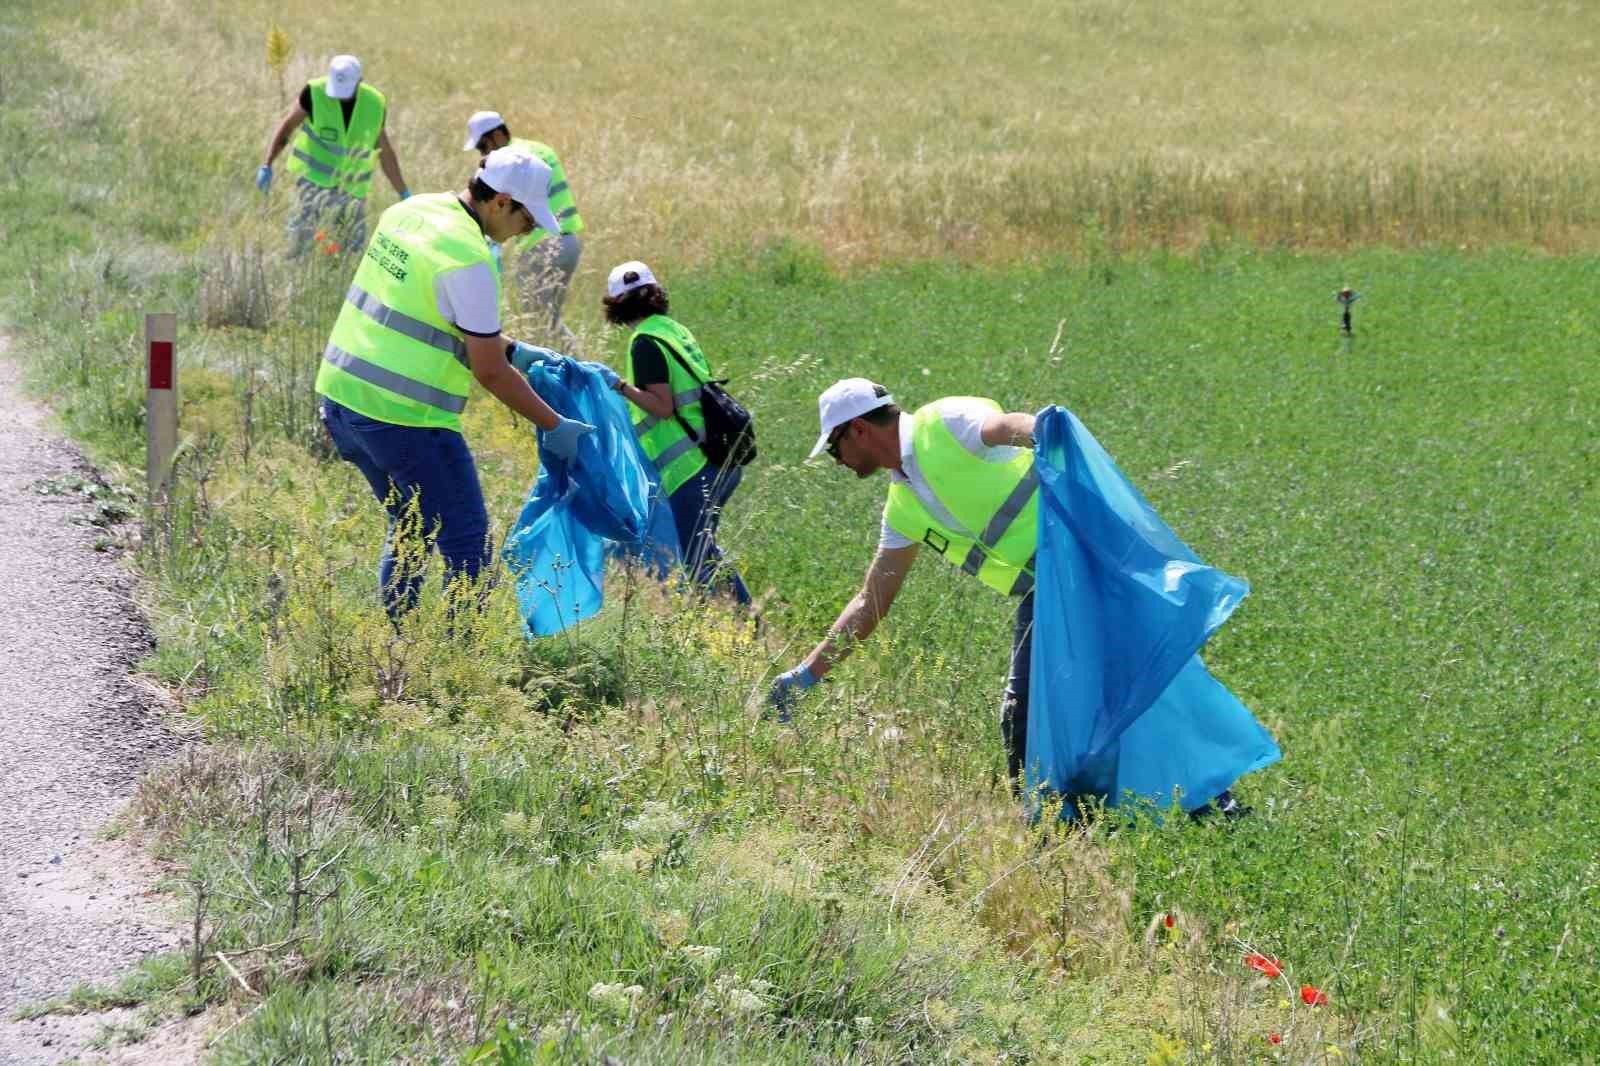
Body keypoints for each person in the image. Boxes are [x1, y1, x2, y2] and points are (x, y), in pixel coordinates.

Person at [766, 379, 1246, 817]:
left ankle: (1058, 831)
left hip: (1083, 566)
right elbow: (872, 599)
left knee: (1086, 696)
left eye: (833, 448)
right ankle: (1152, 810)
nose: (837, 461)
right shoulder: (902, 507)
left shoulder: (943, 422)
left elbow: (1003, 426)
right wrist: (806, 675)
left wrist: (1042, 429)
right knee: (1100, 693)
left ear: (855, 431)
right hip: (1046, 594)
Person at [314, 147, 593, 617]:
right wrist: (553, 423)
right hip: (404, 417)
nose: (528, 232)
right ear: (501, 202)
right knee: (468, 547)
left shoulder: (410, 211)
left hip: (342, 399)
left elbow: (427, 311)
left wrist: (517, 351)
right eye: (527, 219)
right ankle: (456, 672)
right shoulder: (470, 258)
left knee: (412, 526)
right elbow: (488, 372)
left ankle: (398, 654)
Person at [603, 260, 752, 606]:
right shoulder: (673, 329)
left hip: (692, 466)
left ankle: (746, 630)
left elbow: (662, 405)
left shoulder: (644, 342)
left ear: (616, 306)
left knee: (696, 558)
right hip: (718, 458)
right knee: (703, 550)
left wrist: (619, 386)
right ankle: (740, 624)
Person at [258, 55, 410, 256]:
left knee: (350, 250)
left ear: (359, 82)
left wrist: (404, 193)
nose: (339, 97)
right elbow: (288, 127)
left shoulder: (374, 104)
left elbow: (385, 151)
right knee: (299, 245)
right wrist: (267, 164)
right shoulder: (313, 93)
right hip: (312, 184)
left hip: (352, 189)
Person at [464, 110, 584, 341]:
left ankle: (574, 370)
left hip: (542, 247)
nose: (484, 154)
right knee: (550, 321)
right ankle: (577, 369)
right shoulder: (539, 149)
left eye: (483, 146)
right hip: (568, 243)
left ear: (498, 135)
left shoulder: (516, 160)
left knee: (538, 325)